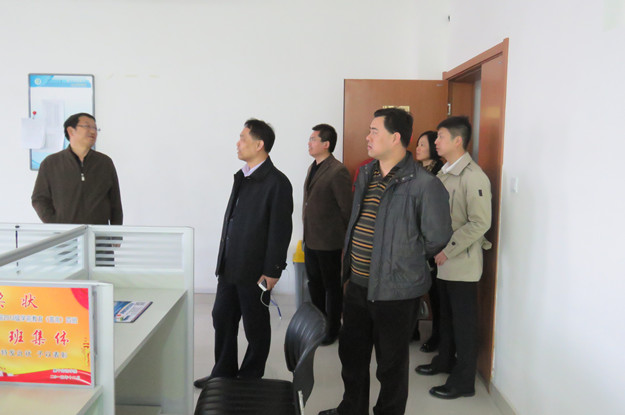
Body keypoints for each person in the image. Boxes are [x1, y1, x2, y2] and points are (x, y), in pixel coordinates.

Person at [320, 108, 452, 415]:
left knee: (391, 366)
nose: (367, 137)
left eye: (374, 131)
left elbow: (437, 237)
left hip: (396, 292)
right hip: (357, 285)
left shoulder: (424, 184)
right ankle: (351, 409)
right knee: (352, 357)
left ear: (395, 138)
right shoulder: (366, 173)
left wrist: (402, 258)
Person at [194, 118, 293, 389]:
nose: (237, 143)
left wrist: (273, 270)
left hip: (255, 270)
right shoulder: (243, 176)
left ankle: (250, 378)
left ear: (259, 145)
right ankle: (223, 372)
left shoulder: (277, 182)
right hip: (230, 265)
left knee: (255, 326)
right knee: (222, 317)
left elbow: (280, 230)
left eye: (243, 138)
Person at [415, 116, 492, 400]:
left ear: (458, 141)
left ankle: (463, 381)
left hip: (460, 262)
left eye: (441, 137)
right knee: (445, 317)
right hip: (442, 260)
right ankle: (444, 360)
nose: (436, 142)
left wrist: (447, 250)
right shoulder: (444, 173)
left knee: (463, 324)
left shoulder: (473, 176)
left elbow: (479, 223)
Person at [303, 123, 352, 345]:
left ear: (326, 144)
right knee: (314, 285)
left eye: (313, 139)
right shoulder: (313, 167)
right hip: (311, 239)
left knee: (331, 287)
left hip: (329, 241)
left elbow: (346, 209)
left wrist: (344, 240)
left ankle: (332, 329)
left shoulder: (337, 170)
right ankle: (318, 325)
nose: (309, 143)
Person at [31, 113, 123, 225]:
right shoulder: (51, 163)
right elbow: (39, 199)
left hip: (99, 233)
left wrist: (115, 231)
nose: (93, 131)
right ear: (71, 131)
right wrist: (55, 223)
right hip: (65, 234)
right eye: (87, 126)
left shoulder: (104, 162)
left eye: (95, 128)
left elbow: (115, 202)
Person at [413, 131, 444, 351]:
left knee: (436, 293)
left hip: (433, 242)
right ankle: (414, 329)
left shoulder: (439, 173)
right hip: (416, 240)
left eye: (422, 144)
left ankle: (438, 335)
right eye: (417, 144)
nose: (418, 148)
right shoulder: (416, 171)